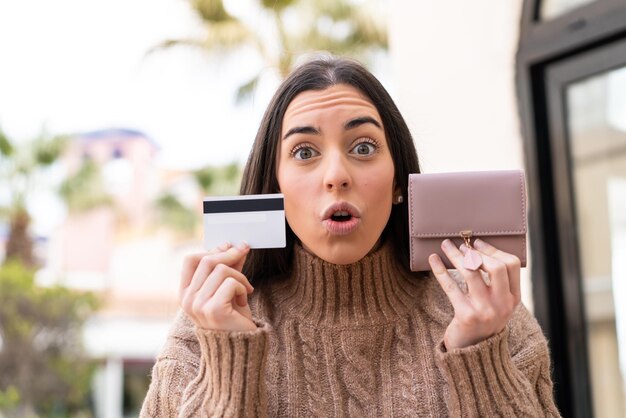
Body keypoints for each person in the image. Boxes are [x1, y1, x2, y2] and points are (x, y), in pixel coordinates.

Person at [140, 55, 561, 417]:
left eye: (363, 147)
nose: (337, 176)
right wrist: (229, 359)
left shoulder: (485, 316)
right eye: (304, 152)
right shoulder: (205, 327)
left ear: (400, 180)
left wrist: (480, 356)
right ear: (275, 185)